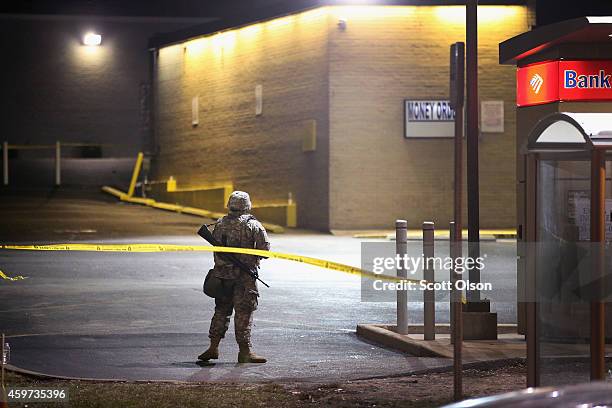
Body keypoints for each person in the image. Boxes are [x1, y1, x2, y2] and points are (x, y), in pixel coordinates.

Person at [198, 191, 270, 363]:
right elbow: (265, 251)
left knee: (221, 311)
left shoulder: (219, 224)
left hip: (222, 277)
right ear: (247, 206)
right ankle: (245, 352)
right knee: (244, 313)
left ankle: (213, 347)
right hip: (244, 279)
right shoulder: (253, 225)